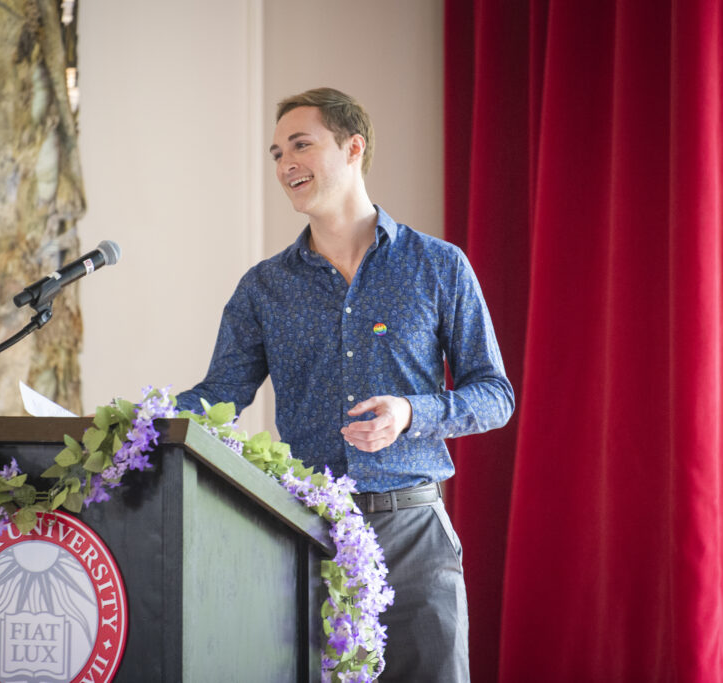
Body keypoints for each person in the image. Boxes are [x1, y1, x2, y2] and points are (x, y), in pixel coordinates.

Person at [175, 87, 513, 681]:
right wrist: (141, 421)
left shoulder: (438, 266)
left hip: (415, 538)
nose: (285, 165)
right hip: (304, 536)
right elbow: (217, 397)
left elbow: (495, 396)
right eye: (277, 153)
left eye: (301, 145)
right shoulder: (263, 288)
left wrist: (412, 413)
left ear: (353, 148)